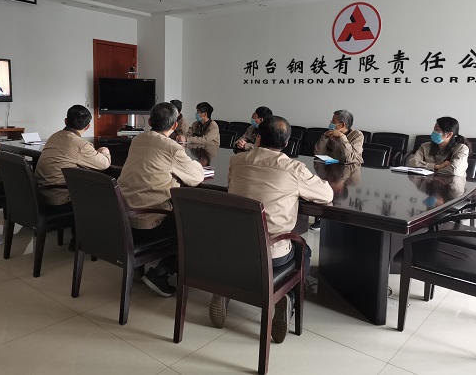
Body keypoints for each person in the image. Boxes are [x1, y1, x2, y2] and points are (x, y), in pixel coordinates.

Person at [210, 115, 333, 343]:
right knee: (303, 251)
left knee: (246, 245)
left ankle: (227, 288)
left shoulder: (237, 161)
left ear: (257, 138)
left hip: (232, 248)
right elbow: (326, 195)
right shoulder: (293, 168)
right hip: (271, 254)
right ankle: (287, 297)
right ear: (286, 143)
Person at [118, 102, 204, 297]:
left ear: (149, 122)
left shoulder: (137, 139)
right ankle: (161, 272)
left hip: (123, 218)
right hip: (148, 224)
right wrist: (195, 165)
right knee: (193, 225)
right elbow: (196, 178)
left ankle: (141, 267)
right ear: (175, 125)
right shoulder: (172, 148)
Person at [34, 105, 111, 248]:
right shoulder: (79, 144)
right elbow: (104, 163)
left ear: (65, 121)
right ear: (87, 127)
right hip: (58, 200)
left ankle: (78, 238)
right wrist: (104, 150)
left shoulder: (54, 136)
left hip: (40, 194)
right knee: (102, 194)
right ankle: (84, 241)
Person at [407, 116, 471, 177]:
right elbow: (411, 162)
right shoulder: (425, 146)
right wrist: (437, 166)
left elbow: (454, 171)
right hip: (428, 182)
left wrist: (428, 168)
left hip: (451, 183)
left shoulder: (461, 148)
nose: (433, 132)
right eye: (434, 129)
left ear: (449, 135)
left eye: (437, 129)